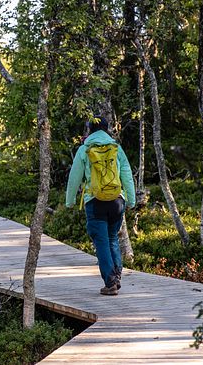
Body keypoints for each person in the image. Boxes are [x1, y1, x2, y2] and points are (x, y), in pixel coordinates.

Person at [65, 116, 136, 295]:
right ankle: (116, 275)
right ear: (106, 129)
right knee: (112, 238)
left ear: (89, 129)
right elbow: (126, 174)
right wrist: (131, 200)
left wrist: (70, 201)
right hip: (117, 200)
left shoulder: (85, 149)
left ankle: (110, 282)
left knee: (102, 241)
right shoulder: (116, 148)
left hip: (94, 201)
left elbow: (74, 178)